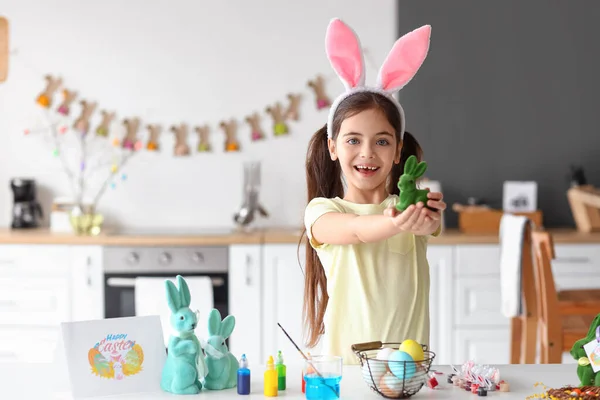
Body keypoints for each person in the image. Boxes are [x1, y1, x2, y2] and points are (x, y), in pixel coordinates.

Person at [301, 18, 447, 365]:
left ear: (397, 151)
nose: (367, 152)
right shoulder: (322, 212)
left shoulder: (408, 209)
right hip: (347, 374)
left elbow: (428, 227)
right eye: (353, 140)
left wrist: (425, 218)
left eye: (382, 141)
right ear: (333, 147)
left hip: (408, 373)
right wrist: (398, 222)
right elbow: (356, 230)